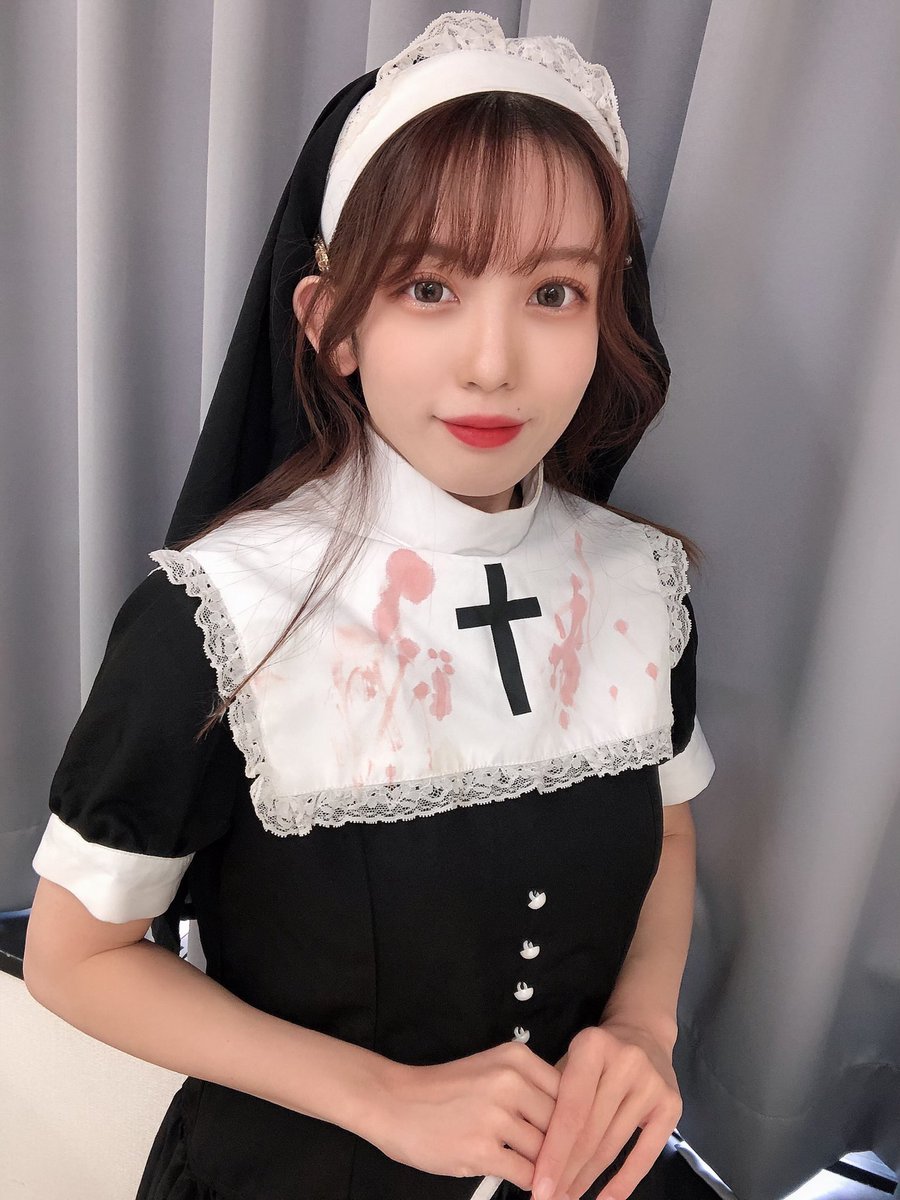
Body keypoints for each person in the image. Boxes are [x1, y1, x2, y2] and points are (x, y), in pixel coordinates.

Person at [24, 11, 716, 1200]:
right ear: (330, 325)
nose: (492, 361)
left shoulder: (640, 582)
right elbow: (73, 957)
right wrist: (378, 1095)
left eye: (554, 291)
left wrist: (643, 1028)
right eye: (430, 286)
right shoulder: (218, 618)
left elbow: (670, 828)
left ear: (608, 318)